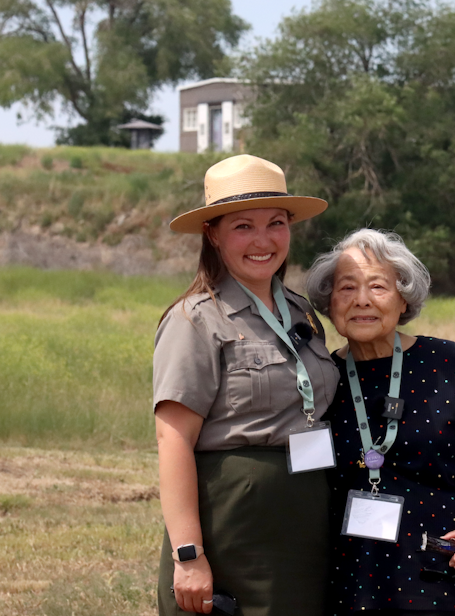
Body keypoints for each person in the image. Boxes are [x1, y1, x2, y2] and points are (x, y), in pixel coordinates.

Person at [153, 154, 339, 615]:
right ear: (212, 234)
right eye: (243, 226)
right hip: (232, 526)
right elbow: (172, 440)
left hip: (305, 524)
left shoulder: (301, 313)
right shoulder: (194, 320)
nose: (263, 240)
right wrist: (189, 556)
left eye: (276, 223)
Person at [305, 228, 455, 616]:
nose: (361, 300)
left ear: (404, 298)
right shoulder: (319, 377)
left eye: (378, 287)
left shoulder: (448, 363)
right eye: (346, 288)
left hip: (437, 571)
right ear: (329, 302)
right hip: (348, 578)